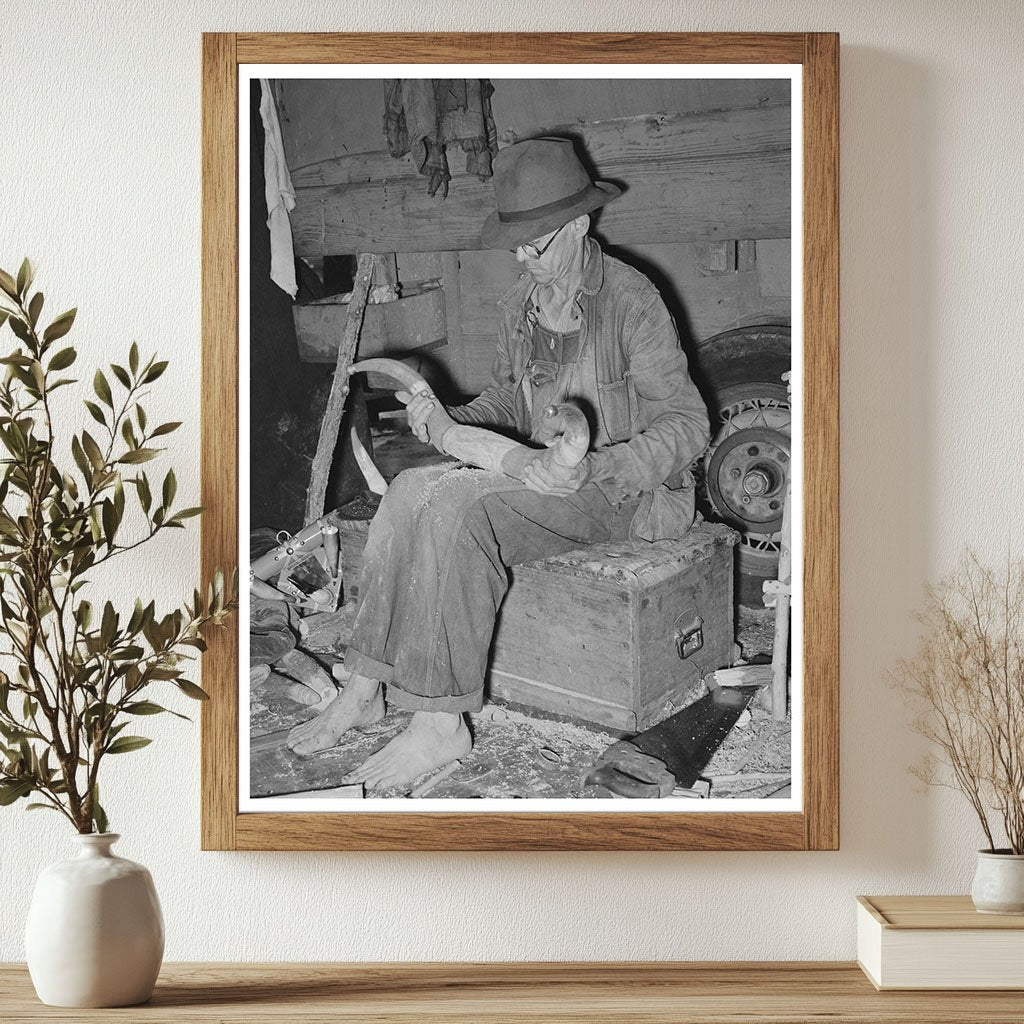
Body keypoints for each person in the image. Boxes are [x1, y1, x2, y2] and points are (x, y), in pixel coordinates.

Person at [287, 138, 710, 791]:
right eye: (513, 243)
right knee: (407, 490)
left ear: (578, 225)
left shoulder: (631, 300)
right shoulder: (525, 305)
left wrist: (597, 469)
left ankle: (440, 723)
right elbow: (511, 396)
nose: (521, 257)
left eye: (534, 244)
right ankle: (367, 684)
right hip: (537, 472)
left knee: (459, 506)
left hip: (614, 489)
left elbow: (689, 425)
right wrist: (450, 421)